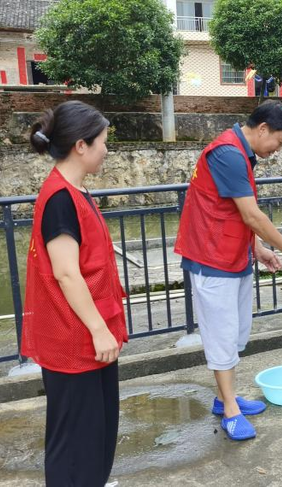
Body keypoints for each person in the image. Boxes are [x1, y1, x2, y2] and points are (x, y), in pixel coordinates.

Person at [174, 100, 282, 441]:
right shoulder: (228, 153)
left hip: (233, 254)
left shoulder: (241, 153)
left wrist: (257, 248)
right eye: (279, 142)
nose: (278, 149)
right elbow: (252, 215)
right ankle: (230, 411)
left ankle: (227, 398)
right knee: (222, 336)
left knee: (236, 333)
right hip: (212, 258)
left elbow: (232, 210)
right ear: (263, 129)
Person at [22, 101, 127, 486]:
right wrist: (100, 329)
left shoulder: (73, 191)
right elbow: (66, 273)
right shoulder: (60, 198)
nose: (106, 150)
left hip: (88, 334)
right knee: (75, 440)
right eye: (102, 142)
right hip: (75, 337)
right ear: (81, 146)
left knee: (97, 429)